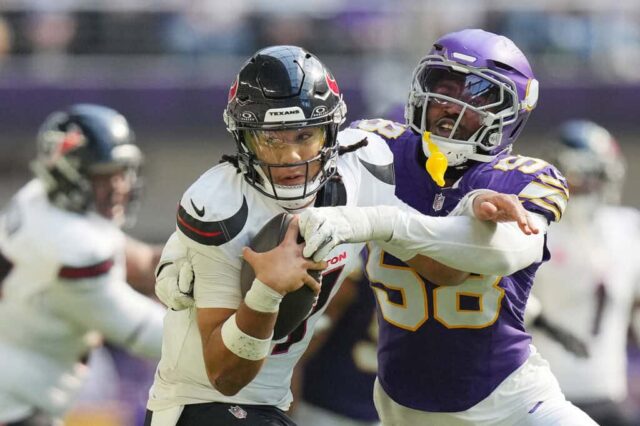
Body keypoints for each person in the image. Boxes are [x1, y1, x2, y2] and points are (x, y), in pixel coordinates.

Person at [147, 44, 541, 426]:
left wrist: (469, 205)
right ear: (243, 138)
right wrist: (266, 291)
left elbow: (443, 270)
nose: (290, 157)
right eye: (270, 138)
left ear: (332, 131)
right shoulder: (218, 205)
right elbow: (224, 377)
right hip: (197, 406)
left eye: (305, 136)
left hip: (269, 406)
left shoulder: (362, 168)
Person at [296, 29, 597, 425]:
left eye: (476, 95)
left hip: (511, 398)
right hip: (403, 408)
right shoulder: (375, 145)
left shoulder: (526, 178)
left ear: (512, 113)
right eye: (445, 87)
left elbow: (493, 254)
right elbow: (308, 204)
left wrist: (378, 221)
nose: (451, 106)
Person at [0, 104, 166, 426]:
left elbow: (145, 262)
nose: (119, 186)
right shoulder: (73, 248)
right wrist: (248, 315)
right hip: (15, 405)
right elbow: (157, 338)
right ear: (69, 173)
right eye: (105, 175)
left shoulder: (39, 199)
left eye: (121, 172)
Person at [529, 120, 640, 426]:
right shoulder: (534, 230)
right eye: (573, 177)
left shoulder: (627, 229)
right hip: (545, 396)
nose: (580, 186)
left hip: (609, 393)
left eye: (589, 176)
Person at [291, 253, 380, 426]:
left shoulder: (365, 254)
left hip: (324, 399)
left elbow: (324, 318)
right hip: (376, 403)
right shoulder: (431, 254)